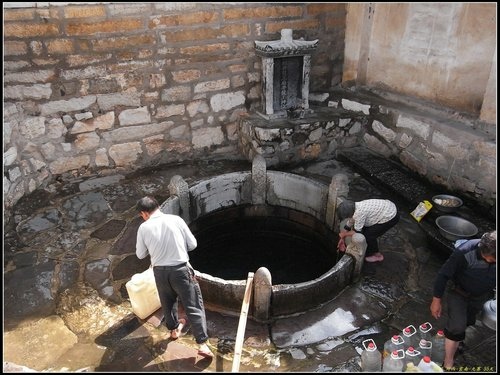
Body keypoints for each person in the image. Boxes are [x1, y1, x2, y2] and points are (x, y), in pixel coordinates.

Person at [135, 196, 213, 358]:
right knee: (193, 305)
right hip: (181, 270)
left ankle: (173, 331)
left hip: (160, 272)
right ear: (157, 206)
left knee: (167, 302)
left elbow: (140, 254)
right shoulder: (176, 220)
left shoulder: (144, 228)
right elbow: (193, 245)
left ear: (144, 213)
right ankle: (203, 345)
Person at [430, 230, 496, 370]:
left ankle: (456, 343)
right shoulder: (465, 252)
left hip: (480, 295)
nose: (491, 262)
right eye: (489, 259)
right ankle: (448, 362)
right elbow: (443, 275)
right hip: (459, 292)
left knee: (468, 321)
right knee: (456, 327)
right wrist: (436, 300)